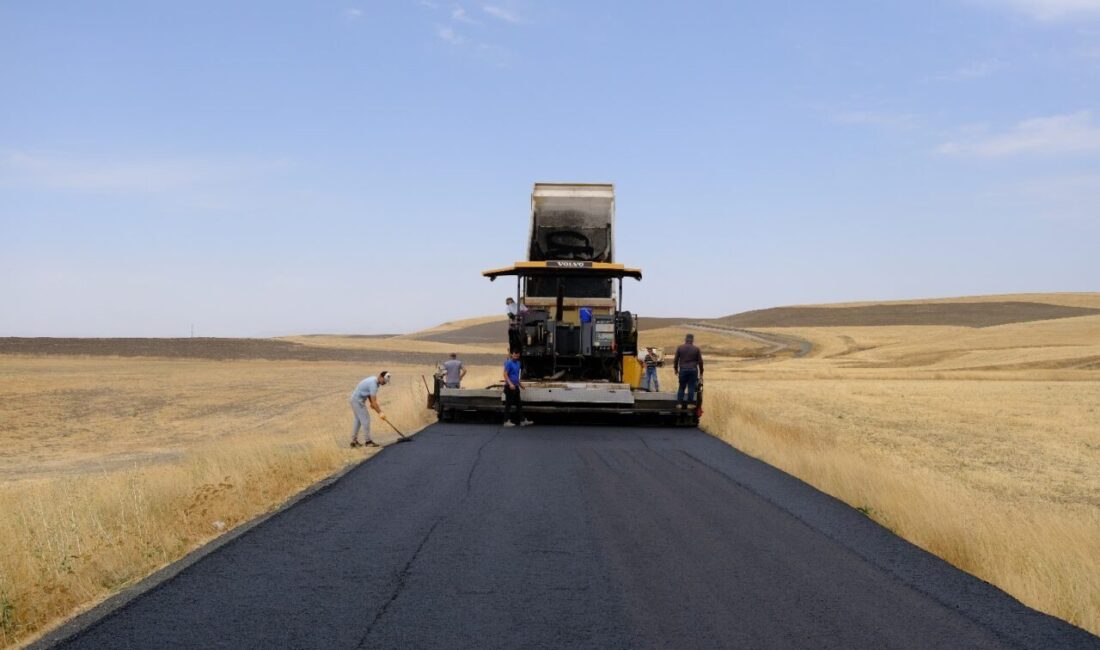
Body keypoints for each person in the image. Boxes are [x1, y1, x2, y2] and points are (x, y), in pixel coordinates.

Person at [349, 371, 390, 448]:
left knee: (358, 420)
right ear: (380, 377)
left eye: (386, 382)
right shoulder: (373, 384)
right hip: (357, 401)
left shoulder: (375, 381)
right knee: (366, 419)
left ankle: (353, 442)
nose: (385, 383)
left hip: (354, 400)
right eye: (384, 381)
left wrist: (371, 403)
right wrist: (380, 413)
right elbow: (374, 402)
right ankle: (368, 442)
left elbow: (369, 394)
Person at [503, 350, 532, 427]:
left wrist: (520, 384)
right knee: (508, 404)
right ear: (512, 355)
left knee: (519, 404)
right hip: (509, 387)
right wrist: (510, 384)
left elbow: (516, 376)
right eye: (515, 356)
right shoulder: (509, 363)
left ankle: (522, 421)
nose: (516, 357)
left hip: (516, 386)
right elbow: (505, 375)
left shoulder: (518, 363)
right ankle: (506, 421)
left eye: (518, 356)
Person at [673, 334, 703, 409]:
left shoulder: (680, 348)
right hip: (693, 370)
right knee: (691, 387)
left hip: (683, 369)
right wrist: (701, 372)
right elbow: (700, 362)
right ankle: (690, 404)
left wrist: (676, 369)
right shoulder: (696, 349)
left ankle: (679, 403)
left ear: (685, 339)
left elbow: (676, 360)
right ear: (692, 340)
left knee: (681, 387)